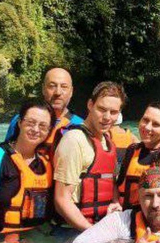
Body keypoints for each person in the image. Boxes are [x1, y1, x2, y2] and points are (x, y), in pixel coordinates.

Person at [0, 99, 56, 242]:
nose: (36, 129)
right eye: (31, 123)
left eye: (43, 126)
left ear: (49, 130)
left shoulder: (47, 163)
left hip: (36, 236)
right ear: (20, 123)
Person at [53, 81, 126, 231]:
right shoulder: (74, 140)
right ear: (90, 105)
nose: (107, 117)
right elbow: (61, 200)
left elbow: (108, 182)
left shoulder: (107, 142)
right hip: (70, 230)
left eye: (113, 112)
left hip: (99, 225)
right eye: (101, 109)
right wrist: (93, 234)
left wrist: (114, 202)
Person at [4, 68, 83, 153]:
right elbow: (6, 153)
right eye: (52, 86)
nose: (58, 92)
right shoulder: (21, 121)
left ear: (71, 91)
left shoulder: (80, 126)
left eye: (64, 87)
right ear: (43, 89)